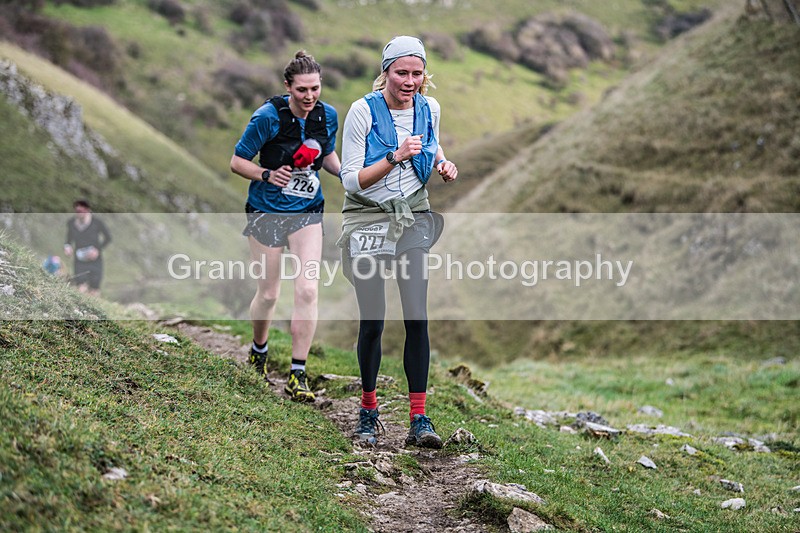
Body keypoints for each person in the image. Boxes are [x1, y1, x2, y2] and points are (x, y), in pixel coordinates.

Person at [338, 36, 458, 448]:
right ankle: (368, 411)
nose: (409, 81)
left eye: (416, 73)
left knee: (416, 315)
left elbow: (431, 139)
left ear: (426, 74)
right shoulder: (361, 111)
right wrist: (394, 157)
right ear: (385, 72)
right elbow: (350, 179)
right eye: (401, 73)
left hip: (413, 214)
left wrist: (441, 160)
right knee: (373, 318)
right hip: (369, 215)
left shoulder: (430, 108)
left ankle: (419, 418)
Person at [230, 50, 341, 402]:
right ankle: (258, 351)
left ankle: (297, 374)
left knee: (308, 290)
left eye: (315, 89)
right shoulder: (267, 117)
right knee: (270, 293)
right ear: (287, 87)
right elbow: (236, 161)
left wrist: (350, 176)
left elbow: (326, 156)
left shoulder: (327, 116)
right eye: (302, 90)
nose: (309, 97)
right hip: (266, 209)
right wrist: (266, 173)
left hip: (308, 210)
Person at [64, 199, 111, 296]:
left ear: (87, 210)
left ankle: (94, 308)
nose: (79, 213)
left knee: (94, 287)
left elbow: (108, 238)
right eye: (77, 211)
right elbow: (69, 239)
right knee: (80, 285)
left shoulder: (97, 223)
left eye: (81, 211)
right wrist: (67, 247)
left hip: (95, 260)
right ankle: (80, 308)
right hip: (80, 260)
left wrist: (97, 250)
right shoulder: (71, 223)